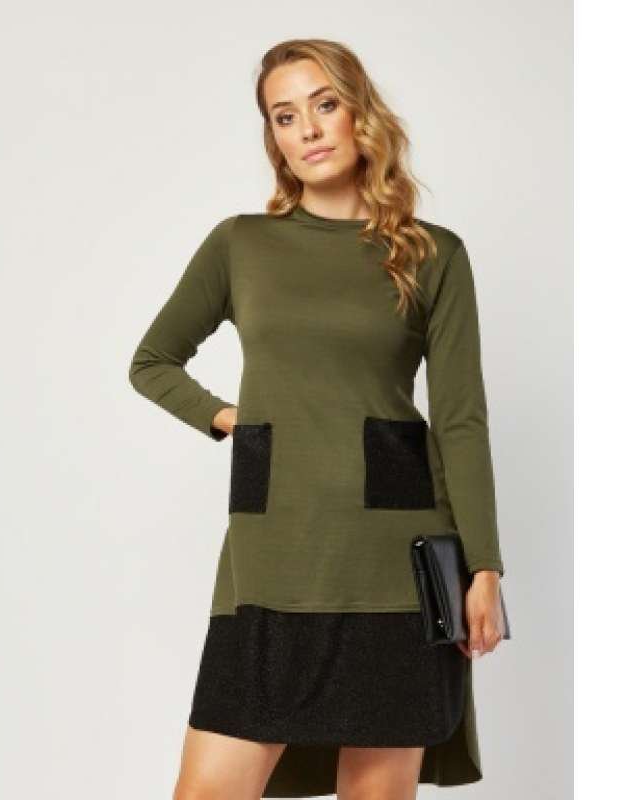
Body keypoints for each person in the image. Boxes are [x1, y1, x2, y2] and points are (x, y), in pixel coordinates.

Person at [128, 38, 507, 800]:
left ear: (360, 112)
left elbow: (461, 420)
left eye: (324, 104)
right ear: (273, 136)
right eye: (284, 115)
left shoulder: (434, 255)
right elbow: (153, 361)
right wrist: (231, 419)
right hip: (273, 553)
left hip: (393, 568)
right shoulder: (242, 245)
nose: (307, 128)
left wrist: (486, 569)